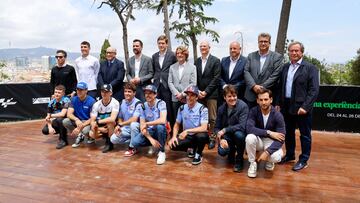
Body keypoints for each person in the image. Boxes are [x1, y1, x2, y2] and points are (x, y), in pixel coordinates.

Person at [276, 41, 319, 171]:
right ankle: (289, 155)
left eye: (297, 51)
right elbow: (280, 87)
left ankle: (304, 160)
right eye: (291, 51)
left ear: (302, 52)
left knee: (305, 134)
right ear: (288, 52)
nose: (294, 53)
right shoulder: (285, 67)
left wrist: (305, 106)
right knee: (288, 132)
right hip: (286, 106)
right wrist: (278, 103)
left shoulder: (310, 68)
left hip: (302, 108)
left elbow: (314, 90)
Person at [246, 89, 285, 178]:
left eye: (266, 99)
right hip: (259, 139)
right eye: (261, 100)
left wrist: (267, 152)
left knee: (275, 157)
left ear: (271, 100)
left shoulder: (277, 115)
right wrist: (268, 132)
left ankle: (270, 161)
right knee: (249, 138)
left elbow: (281, 138)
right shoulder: (253, 111)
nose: (263, 102)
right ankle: (252, 163)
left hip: (271, 141)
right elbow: (249, 128)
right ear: (257, 100)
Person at [168, 85, 208, 165]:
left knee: (202, 136)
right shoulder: (182, 108)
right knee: (172, 145)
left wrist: (187, 130)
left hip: (198, 134)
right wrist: (174, 137)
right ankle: (192, 148)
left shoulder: (203, 109)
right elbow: (177, 124)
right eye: (187, 95)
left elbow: (204, 128)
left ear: (197, 97)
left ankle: (198, 154)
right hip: (188, 136)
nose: (189, 98)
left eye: (192, 95)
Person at [244, 33, 284, 108]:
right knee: (250, 119)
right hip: (251, 96)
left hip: (267, 97)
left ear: (269, 43)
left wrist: (261, 88)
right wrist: (254, 86)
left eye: (265, 41)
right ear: (258, 43)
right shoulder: (251, 56)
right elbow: (246, 71)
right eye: (261, 41)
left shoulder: (277, 57)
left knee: (266, 119)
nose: (263, 43)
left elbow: (275, 75)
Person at [131, 85, 167, 165]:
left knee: (160, 126)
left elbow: (162, 120)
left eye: (150, 93)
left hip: (159, 130)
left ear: (155, 94)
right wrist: (151, 139)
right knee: (135, 142)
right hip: (150, 132)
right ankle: (154, 144)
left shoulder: (161, 103)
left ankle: (162, 152)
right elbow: (142, 126)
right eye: (146, 93)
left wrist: (147, 123)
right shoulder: (143, 106)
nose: (147, 95)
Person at [215, 85, 248, 172]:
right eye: (229, 96)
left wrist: (225, 130)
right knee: (222, 152)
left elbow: (242, 125)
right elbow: (217, 127)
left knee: (239, 136)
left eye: (234, 96)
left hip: (239, 133)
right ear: (224, 97)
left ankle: (239, 159)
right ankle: (231, 152)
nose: (232, 98)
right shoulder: (221, 109)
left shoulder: (243, 106)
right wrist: (221, 139)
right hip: (227, 136)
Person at [195, 41, 221, 149]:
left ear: (209, 47)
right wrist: (198, 91)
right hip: (199, 94)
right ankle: (203, 137)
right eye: (201, 46)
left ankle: (212, 138)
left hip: (211, 94)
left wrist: (206, 91)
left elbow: (216, 78)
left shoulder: (215, 60)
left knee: (212, 118)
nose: (202, 48)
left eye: (204, 46)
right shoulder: (197, 61)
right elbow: (195, 77)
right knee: (201, 117)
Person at [110, 83, 142, 157]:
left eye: (129, 92)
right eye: (125, 91)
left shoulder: (138, 103)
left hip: (137, 129)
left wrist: (121, 124)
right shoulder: (123, 102)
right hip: (126, 129)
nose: (127, 93)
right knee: (113, 139)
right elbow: (120, 117)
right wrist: (120, 127)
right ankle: (133, 140)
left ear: (134, 93)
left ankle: (133, 147)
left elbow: (134, 119)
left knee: (133, 125)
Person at [168, 45, 197, 126]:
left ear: (186, 55)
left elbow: (193, 83)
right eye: (177, 53)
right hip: (175, 98)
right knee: (176, 119)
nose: (179, 55)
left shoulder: (192, 67)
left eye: (181, 53)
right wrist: (177, 94)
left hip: (187, 98)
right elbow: (170, 82)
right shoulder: (172, 67)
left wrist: (183, 94)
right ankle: (176, 137)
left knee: (186, 119)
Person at [152, 35, 177, 127]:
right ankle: (158, 127)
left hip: (168, 85)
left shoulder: (172, 55)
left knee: (168, 108)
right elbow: (154, 70)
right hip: (157, 85)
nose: (161, 45)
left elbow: (175, 69)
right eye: (159, 43)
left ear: (167, 44)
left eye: (163, 43)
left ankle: (170, 129)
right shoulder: (154, 56)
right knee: (157, 107)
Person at [62, 82, 96, 148]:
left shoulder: (92, 101)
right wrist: (76, 119)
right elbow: (69, 114)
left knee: (85, 130)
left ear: (86, 90)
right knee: (65, 121)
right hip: (78, 121)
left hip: (87, 122)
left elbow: (92, 118)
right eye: (77, 89)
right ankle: (80, 135)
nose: (79, 91)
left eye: (81, 90)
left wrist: (81, 126)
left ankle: (90, 137)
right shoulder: (73, 99)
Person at [89, 84, 119, 153]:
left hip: (112, 126)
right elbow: (92, 121)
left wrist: (98, 122)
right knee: (91, 133)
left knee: (110, 122)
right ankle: (103, 137)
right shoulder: (96, 104)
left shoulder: (115, 102)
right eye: (102, 91)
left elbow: (112, 118)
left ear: (110, 93)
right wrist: (99, 128)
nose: (104, 94)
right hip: (101, 126)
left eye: (106, 92)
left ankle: (109, 143)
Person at [41, 85, 70, 149]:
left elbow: (62, 114)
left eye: (59, 93)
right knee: (45, 131)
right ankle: (62, 132)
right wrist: (50, 126)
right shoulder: (51, 102)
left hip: (66, 120)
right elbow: (48, 117)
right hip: (55, 120)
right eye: (55, 92)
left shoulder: (66, 100)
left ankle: (63, 140)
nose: (57, 94)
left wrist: (50, 115)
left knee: (60, 120)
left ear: (63, 94)